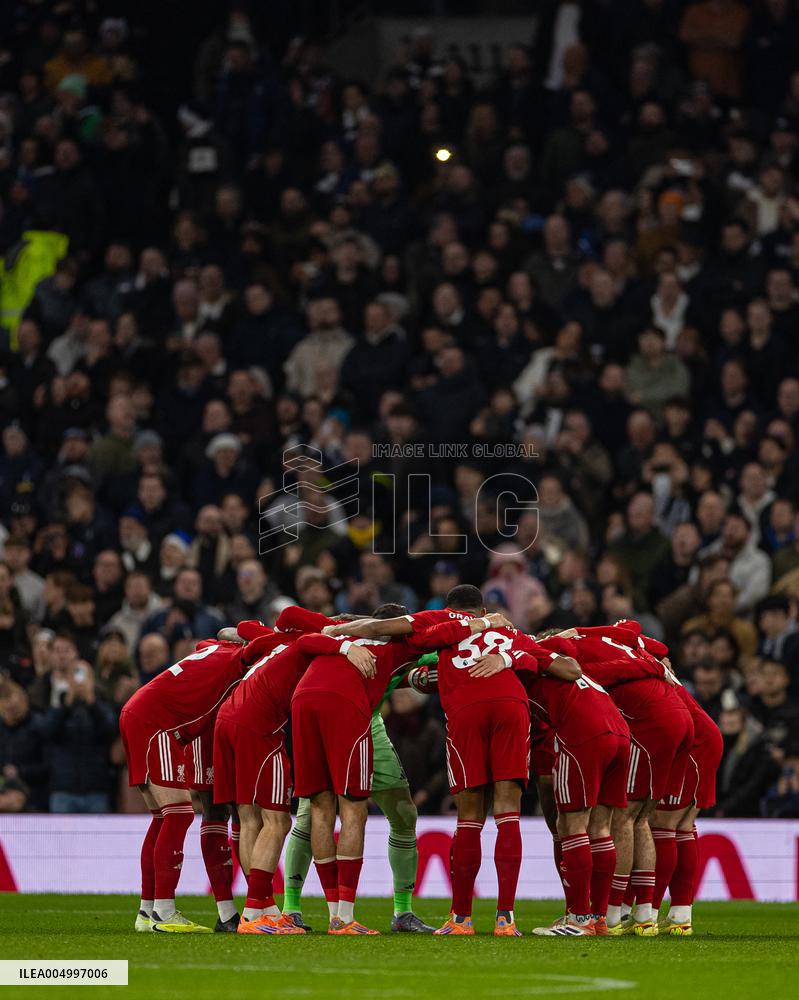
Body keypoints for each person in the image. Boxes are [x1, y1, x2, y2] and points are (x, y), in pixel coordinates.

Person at [119, 635, 267, 933]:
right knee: (179, 814)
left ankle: (148, 911)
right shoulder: (237, 659)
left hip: (144, 715)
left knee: (164, 817)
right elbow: (246, 638)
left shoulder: (215, 648)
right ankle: (164, 912)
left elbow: (218, 636)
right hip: (159, 723)